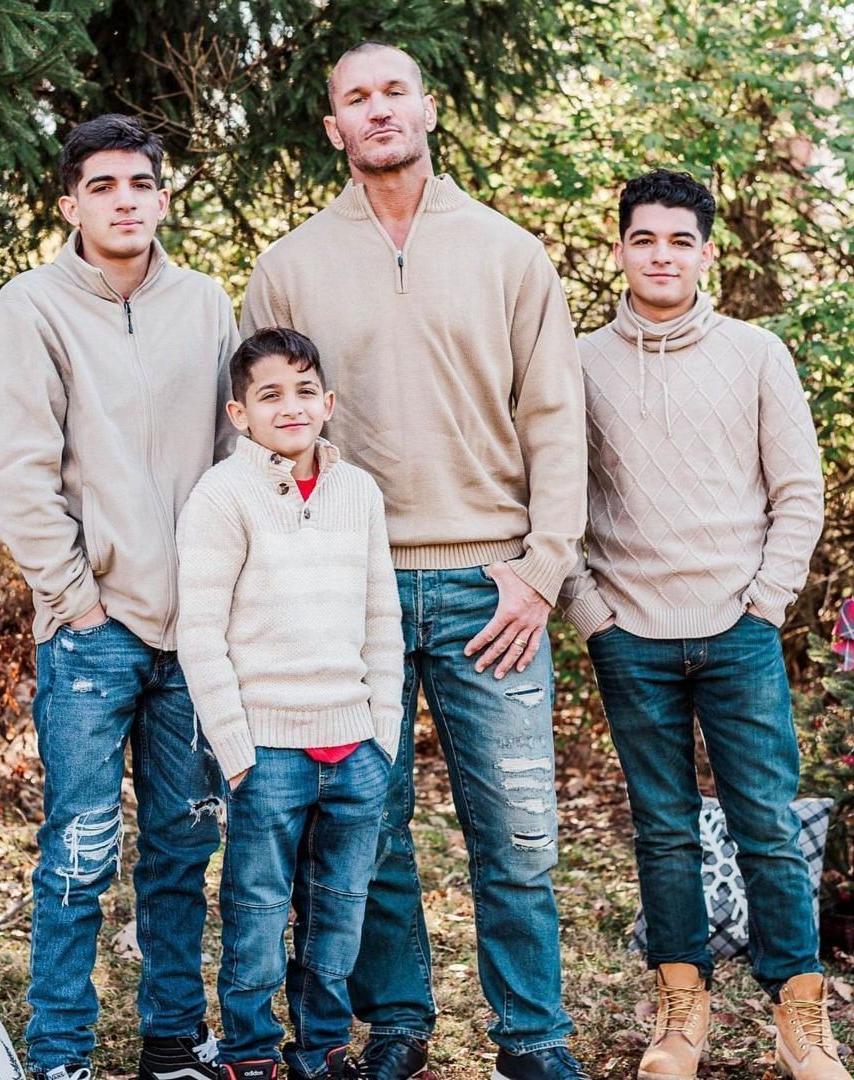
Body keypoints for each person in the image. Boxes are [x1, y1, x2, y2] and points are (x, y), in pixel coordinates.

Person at [240, 41, 588, 1080]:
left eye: (395, 91)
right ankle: (397, 1022)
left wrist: (542, 569)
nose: (379, 109)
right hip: (352, 593)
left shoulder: (508, 252)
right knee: (364, 833)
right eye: (357, 97)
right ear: (333, 127)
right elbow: (261, 436)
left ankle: (534, 1037)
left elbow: (558, 422)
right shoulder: (289, 266)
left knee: (519, 838)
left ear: (426, 109)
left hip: (496, 588)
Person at [0, 112, 240, 1080]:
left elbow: (235, 453)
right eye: (104, 187)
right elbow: (12, 471)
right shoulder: (33, 307)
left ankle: (172, 1042)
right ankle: (60, 1055)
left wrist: (221, 596)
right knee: (79, 855)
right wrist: (78, 598)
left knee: (182, 848)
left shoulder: (207, 303)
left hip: (196, 631)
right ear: (71, 203)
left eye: (141, 184)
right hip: (93, 636)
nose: (125, 201)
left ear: (163, 197)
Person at [558, 169, 840, 1080]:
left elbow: (799, 490)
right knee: (665, 826)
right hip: (629, 631)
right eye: (644, 239)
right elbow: (552, 498)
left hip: (739, 627)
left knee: (764, 819)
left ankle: (801, 1018)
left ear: (706, 253)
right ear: (620, 251)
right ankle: (681, 1014)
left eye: (680, 240)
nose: (662, 255)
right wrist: (592, 612)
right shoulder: (579, 362)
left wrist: (766, 601)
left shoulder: (757, 354)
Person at [176, 328, 401, 1080]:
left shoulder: (358, 491)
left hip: (355, 751)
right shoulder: (222, 495)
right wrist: (236, 753)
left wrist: (385, 739)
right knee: (258, 916)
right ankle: (248, 1055)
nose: (291, 406)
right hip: (267, 753)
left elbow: (382, 622)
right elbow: (200, 636)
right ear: (239, 414)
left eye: (305, 391)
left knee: (338, 917)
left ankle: (322, 1051)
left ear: (328, 403)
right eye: (269, 394)